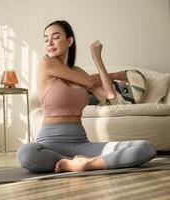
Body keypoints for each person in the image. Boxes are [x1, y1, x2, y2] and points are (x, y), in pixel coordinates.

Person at [17, 20, 156, 173]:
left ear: (69, 41)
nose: (49, 42)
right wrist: (117, 74)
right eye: (46, 39)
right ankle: (77, 162)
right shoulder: (46, 64)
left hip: (81, 143)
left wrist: (97, 59)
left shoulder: (78, 72)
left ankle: (85, 164)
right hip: (51, 143)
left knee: (146, 147)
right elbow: (90, 81)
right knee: (26, 154)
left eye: (55, 37)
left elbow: (110, 94)